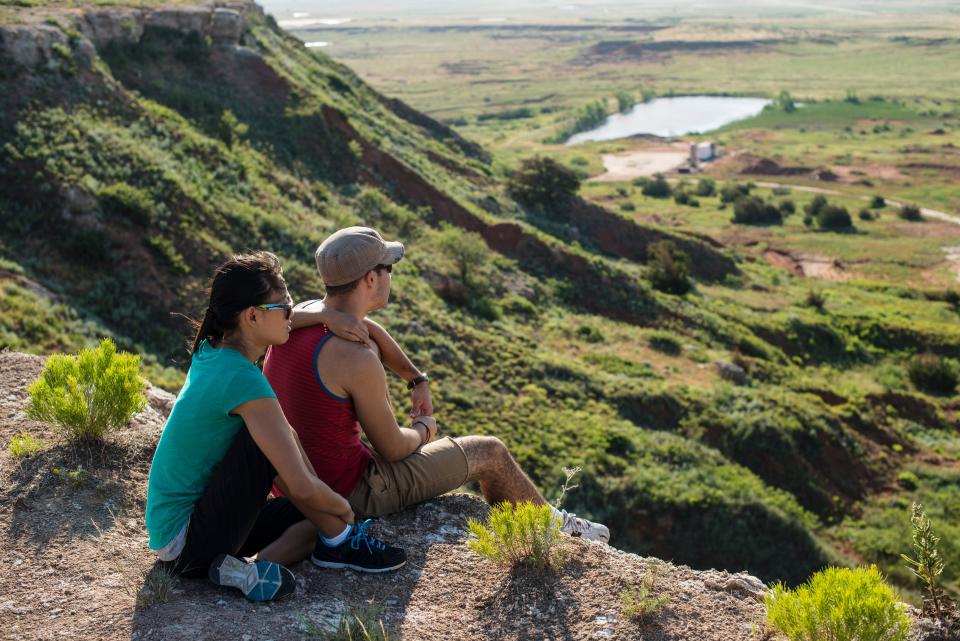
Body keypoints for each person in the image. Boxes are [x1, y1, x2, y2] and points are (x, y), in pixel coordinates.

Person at [263, 227, 610, 543]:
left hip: (295, 485)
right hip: (352, 494)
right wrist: (424, 429)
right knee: (489, 452)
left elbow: (368, 328)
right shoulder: (355, 358)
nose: (390, 277)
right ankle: (557, 531)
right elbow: (394, 450)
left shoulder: (302, 318)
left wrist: (416, 379)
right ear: (371, 279)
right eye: (388, 269)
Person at [145, 251, 406, 603]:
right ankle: (339, 542)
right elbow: (297, 482)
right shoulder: (243, 381)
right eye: (283, 306)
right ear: (252, 317)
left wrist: (326, 504)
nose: (291, 314)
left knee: (314, 516)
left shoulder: (213, 349)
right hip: (187, 540)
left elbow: (292, 446)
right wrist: (343, 512)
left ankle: (244, 567)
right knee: (279, 460)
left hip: (188, 530)